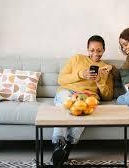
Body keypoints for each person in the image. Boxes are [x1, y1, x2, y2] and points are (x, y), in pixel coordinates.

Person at [52, 35, 114, 167]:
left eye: (99, 50)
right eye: (92, 50)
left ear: (104, 50)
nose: (95, 54)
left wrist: (99, 81)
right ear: (87, 49)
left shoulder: (106, 68)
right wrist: (81, 74)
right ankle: (59, 146)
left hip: (88, 96)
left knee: (84, 108)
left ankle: (66, 147)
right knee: (67, 103)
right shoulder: (77, 59)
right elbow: (61, 80)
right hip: (68, 92)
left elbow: (108, 96)